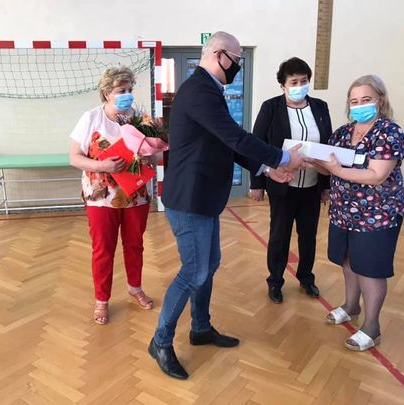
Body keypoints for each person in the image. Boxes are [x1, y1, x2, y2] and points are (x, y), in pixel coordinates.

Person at [149, 31, 304, 380]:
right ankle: (160, 341)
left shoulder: (208, 90)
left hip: (203, 197)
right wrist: (281, 158)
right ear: (219, 54)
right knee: (194, 270)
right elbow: (236, 137)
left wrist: (266, 169)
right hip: (190, 199)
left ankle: (200, 328)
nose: (238, 66)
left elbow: (225, 144)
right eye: (236, 59)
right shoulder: (199, 91)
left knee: (209, 264)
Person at [312, 75, 404, 352]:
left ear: (380, 100)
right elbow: (331, 167)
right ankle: (351, 305)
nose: (359, 105)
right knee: (348, 260)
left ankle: (372, 327)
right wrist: (310, 161)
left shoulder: (389, 132)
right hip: (344, 210)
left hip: (377, 214)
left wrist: (337, 170)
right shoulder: (343, 133)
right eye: (354, 101)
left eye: (366, 99)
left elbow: (377, 175)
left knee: (370, 269)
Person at [69, 67, 158, 325]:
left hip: (136, 195)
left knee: (135, 244)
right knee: (103, 249)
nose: (127, 94)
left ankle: (135, 288)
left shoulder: (141, 119)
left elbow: (155, 157)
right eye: (121, 90)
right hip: (101, 198)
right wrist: (102, 166)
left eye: (130, 90)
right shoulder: (91, 118)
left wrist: (149, 157)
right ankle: (101, 300)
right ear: (107, 93)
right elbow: (74, 157)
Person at [249, 57, 332, 303]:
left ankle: (306, 277)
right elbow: (256, 146)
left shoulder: (320, 107)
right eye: (293, 82)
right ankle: (275, 281)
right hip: (282, 185)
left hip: (312, 185)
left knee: (308, 235)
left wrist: (326, 187)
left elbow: (327, 146)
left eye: (303, 81)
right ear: (283, 85)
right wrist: (257, 183)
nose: (299, 86)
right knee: (279, 236)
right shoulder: (271, 108)